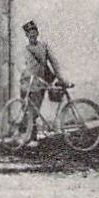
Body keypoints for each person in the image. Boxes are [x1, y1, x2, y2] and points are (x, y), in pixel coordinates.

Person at [17, 20, 66, 148]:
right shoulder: (24, 49)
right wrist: (25, 74)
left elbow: (54, 62)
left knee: (34, 110)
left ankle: (32, 138)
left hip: (40, 82)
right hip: (27, 82)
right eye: (29, 35)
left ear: (37, 33)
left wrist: (60, 78)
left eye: (34, 34)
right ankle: (27, 135)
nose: (32, 36)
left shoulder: (44, 46)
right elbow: (21, 66)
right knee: (26, 109)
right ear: (27, 36)